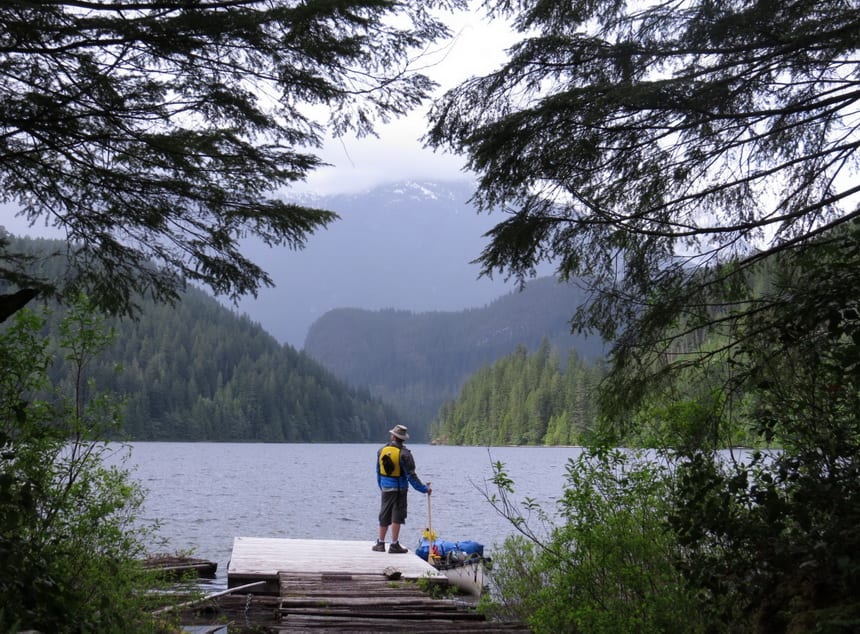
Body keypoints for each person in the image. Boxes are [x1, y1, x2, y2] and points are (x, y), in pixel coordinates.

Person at [373, 424, 431, 553]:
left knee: (384, 514)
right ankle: (394, 545)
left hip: (386, 488)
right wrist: (424, 489)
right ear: (403, 438)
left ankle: (380, 543)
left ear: (393, 436)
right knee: (397, 516)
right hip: (400, 490)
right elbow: (411, 477)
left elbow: (378, 472)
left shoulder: (381, 451)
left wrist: (382, 486)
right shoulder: (405, 454)